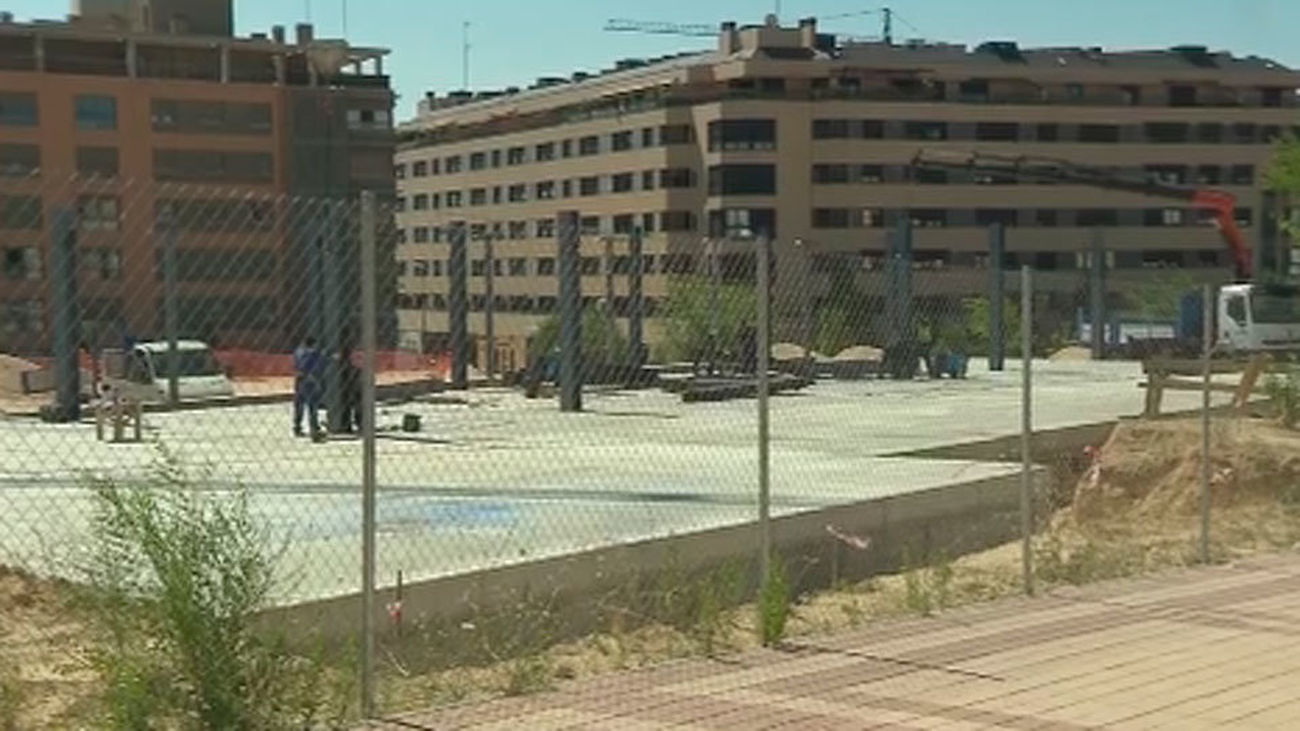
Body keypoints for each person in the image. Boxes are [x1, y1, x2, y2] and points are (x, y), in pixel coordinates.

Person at [293, 336, 324, 437]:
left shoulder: (298, 352)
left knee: (299, 404)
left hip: (299, 379)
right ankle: (314, 428)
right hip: (310, 380)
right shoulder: (313, 354)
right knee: (312, 405)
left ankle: (297, 426)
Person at [337, 345, 362, 433]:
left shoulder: (342, 366)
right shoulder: (352, 366)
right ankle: (358, 424)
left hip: (348, 388)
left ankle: (348, 425)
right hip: (353, 388)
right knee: (356, 407)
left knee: (348, 407)